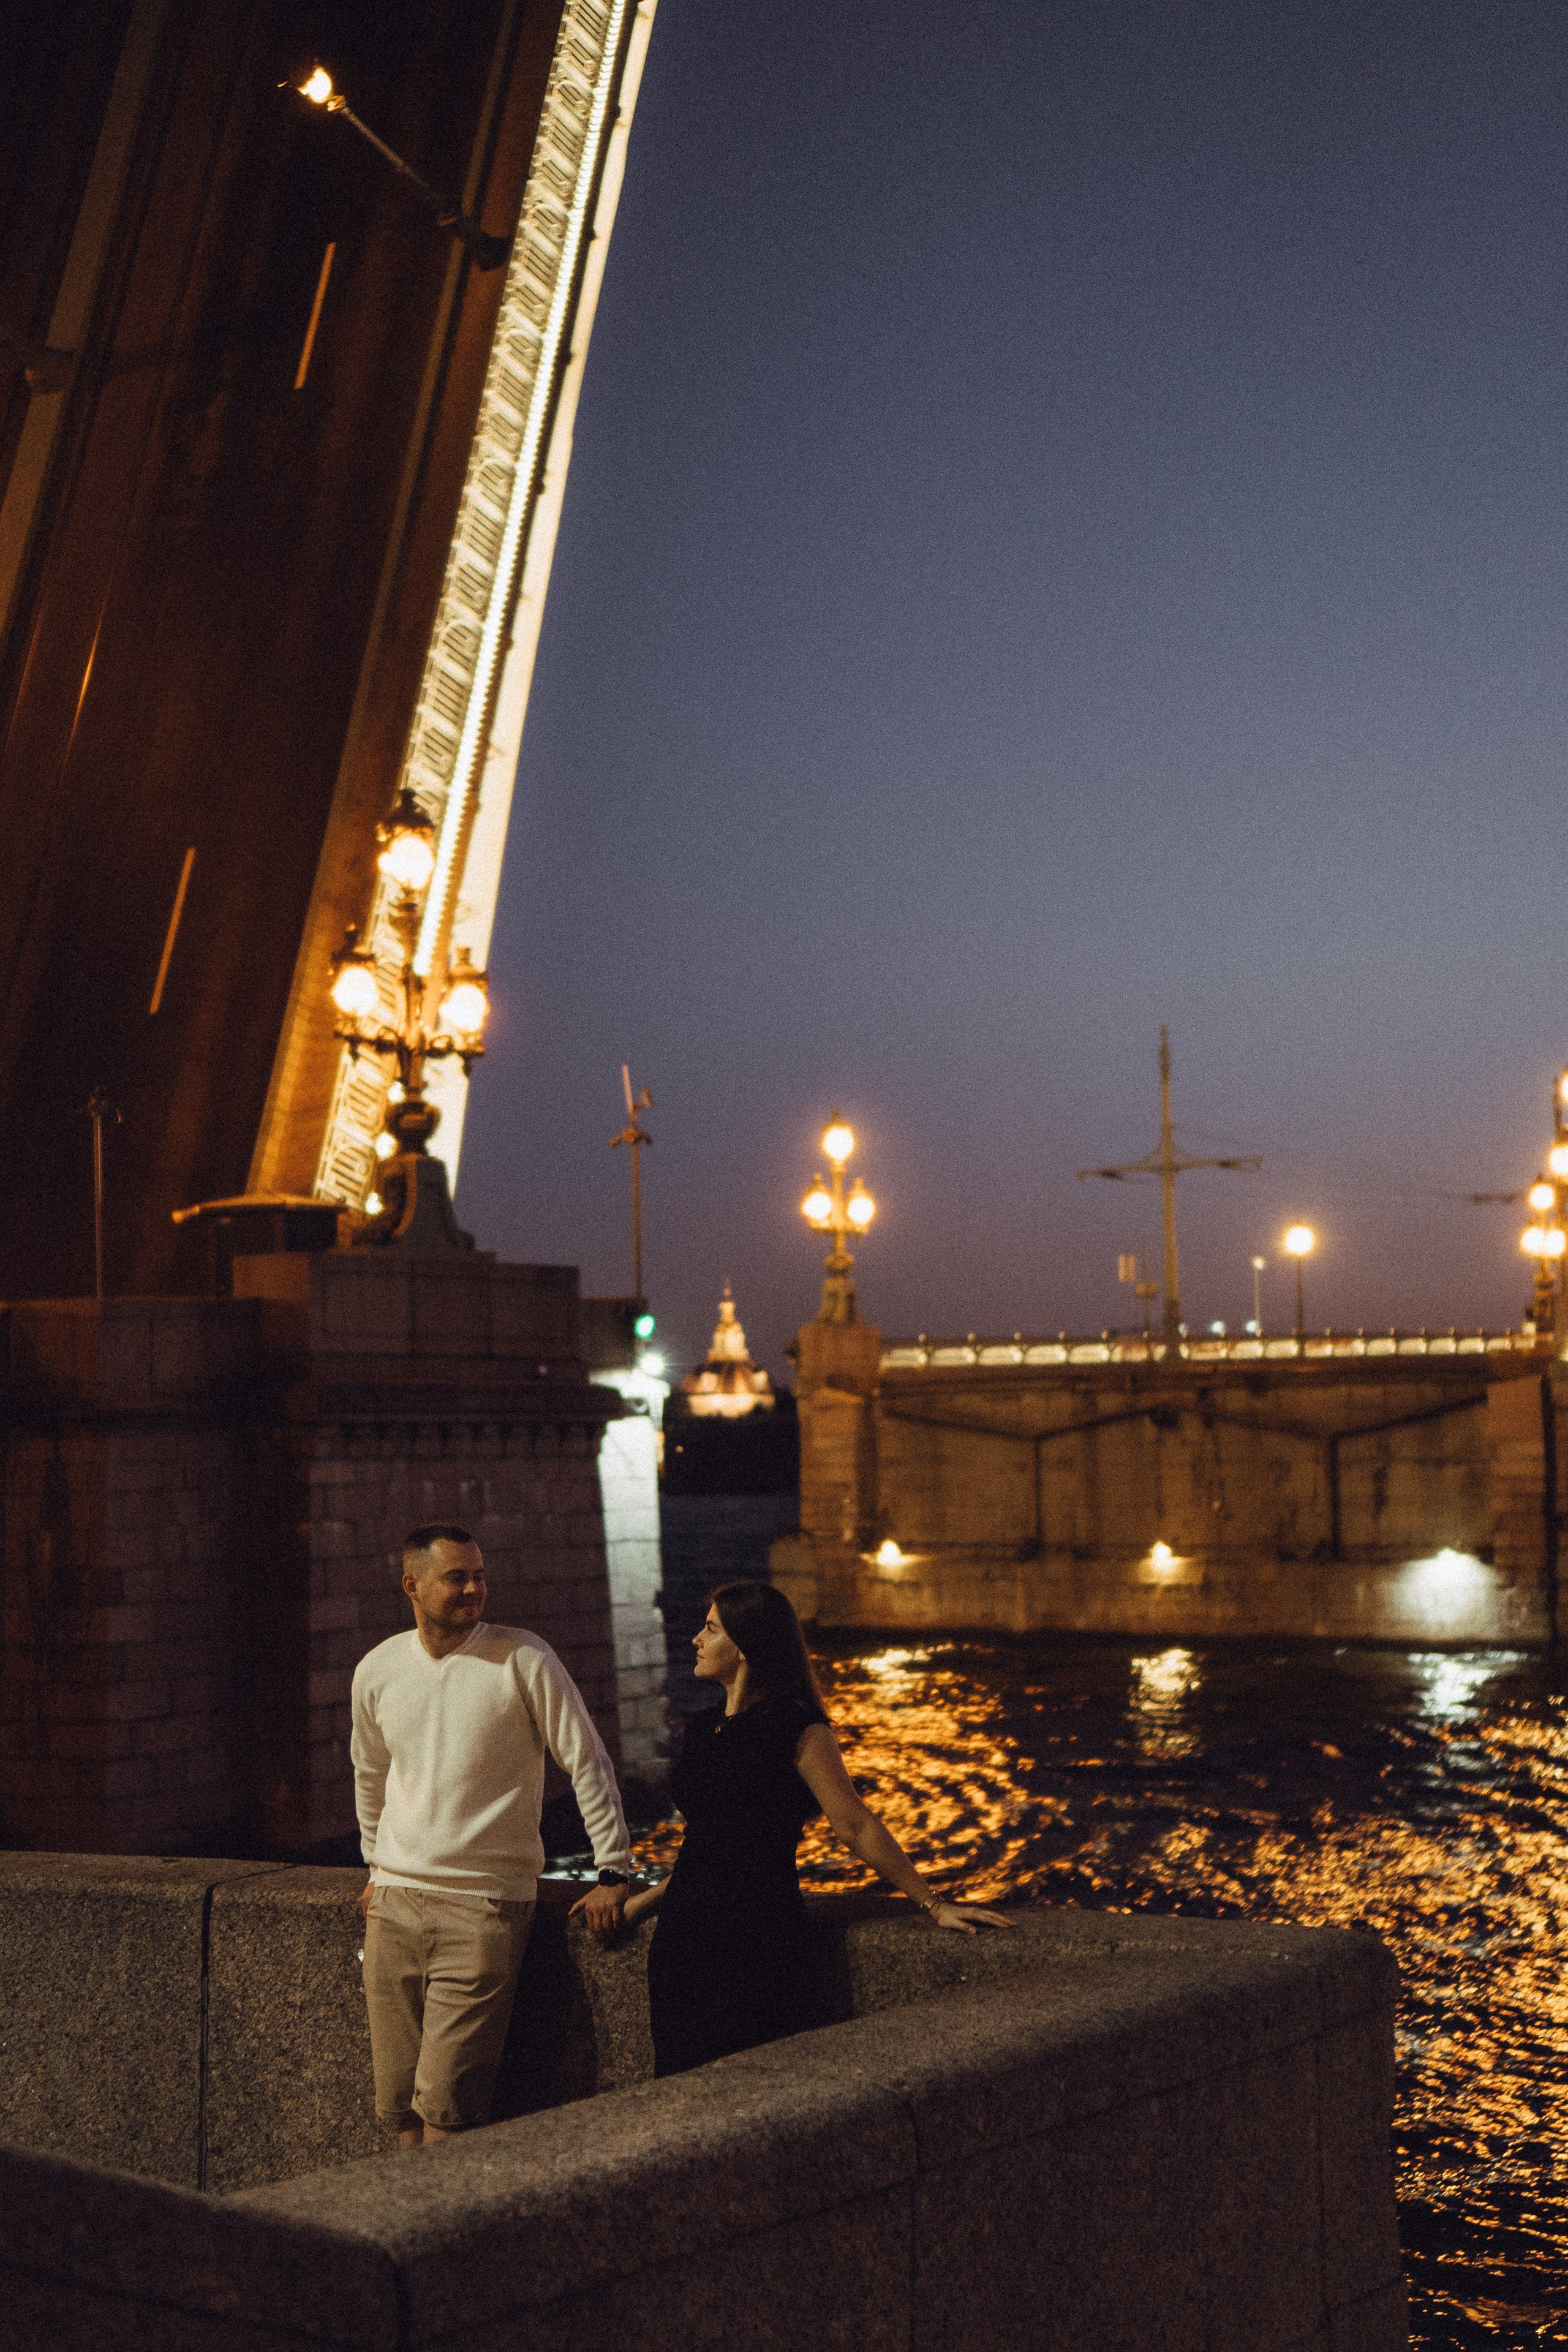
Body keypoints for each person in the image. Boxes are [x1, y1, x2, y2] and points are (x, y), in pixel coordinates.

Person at [594, 1579, 1012, 2077]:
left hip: (756, 1935)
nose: (695, 1641)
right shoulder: (704, 1729)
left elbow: (855, 1824)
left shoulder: (799, 1728)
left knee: (750, 2088)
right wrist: (643, 1903)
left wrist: (933, 1904)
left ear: (746, 1646)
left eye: (710, 1630)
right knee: (680, 2083)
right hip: (684, 1940)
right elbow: (712, 1848)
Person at [351, 1522, 633, 2147]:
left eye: (479, 1575)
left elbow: (587, 1761)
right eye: (457, 1577)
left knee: (447, 2111)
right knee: (396, 2108)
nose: (474, 1589)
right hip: (394, 1905)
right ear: (412, 1586)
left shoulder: (524, 1658)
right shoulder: (377, 1670)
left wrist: (613, 1870)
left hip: (484, 1906)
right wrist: (376, 1866)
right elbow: (369, 1775)